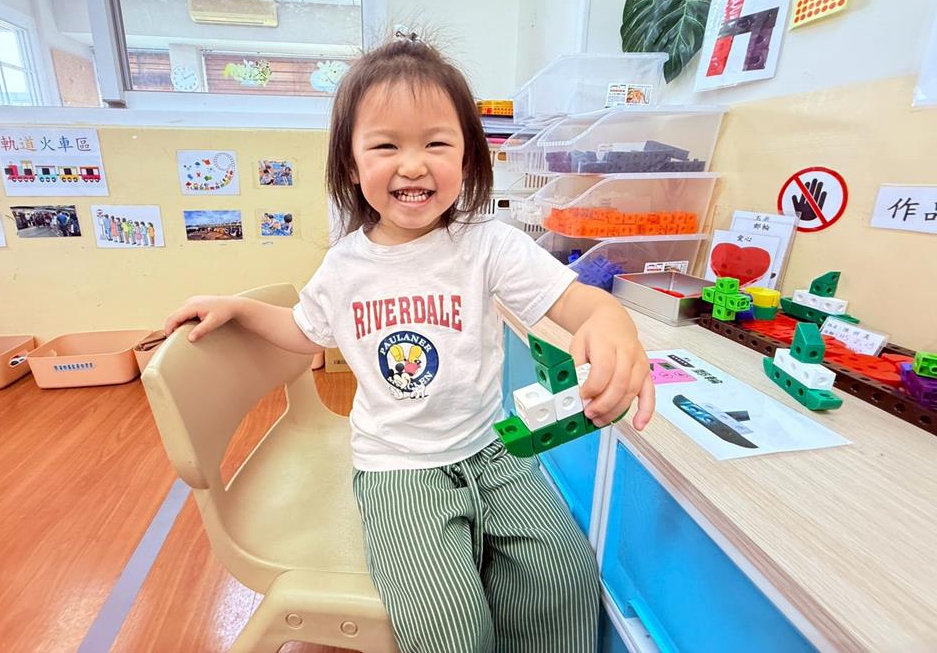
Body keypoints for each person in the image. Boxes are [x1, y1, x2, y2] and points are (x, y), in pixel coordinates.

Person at [164, 34, 655, 653]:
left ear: (468, 159)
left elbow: (577, 301)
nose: (414, 164)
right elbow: (303, 332)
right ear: (351, 165)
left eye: (436, 143)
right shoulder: (346, 267)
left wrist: (610, 319)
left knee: (563, 573)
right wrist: (241, 309)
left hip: (490, 451)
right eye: (386, 145)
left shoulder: (489, 245)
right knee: (450, 626)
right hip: (398, 469)